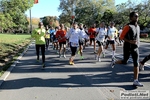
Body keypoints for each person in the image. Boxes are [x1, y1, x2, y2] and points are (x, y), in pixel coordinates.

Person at [116, 11, 143, 86]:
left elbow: (137, 36)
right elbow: (121, 37)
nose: (137, 17)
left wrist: (140, 39)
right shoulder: (128, 26)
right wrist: (130, 41)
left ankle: (136, 80)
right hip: (128, 47)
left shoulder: (138, 26)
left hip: (135, 47)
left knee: (136, 62)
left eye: (137, 16)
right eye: (135, 16)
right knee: (125, 61)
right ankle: (114, 62)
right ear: (131, 18)